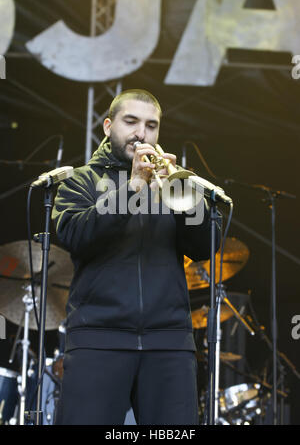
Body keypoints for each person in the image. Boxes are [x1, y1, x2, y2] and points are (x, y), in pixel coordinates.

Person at [51, 89, 222, 425]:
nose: (142, 133)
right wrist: (131, 189)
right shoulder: (81, 181)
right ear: (107, 126)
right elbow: (74, 236)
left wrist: (184, 197)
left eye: (151, 125)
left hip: (169, 342)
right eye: (131, 122)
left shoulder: (172, 183)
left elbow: (205, 247)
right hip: (99, 339)